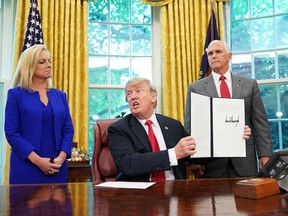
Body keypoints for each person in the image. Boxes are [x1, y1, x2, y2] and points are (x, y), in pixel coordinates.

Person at [108, 77, 251, 181]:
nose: (132, 96)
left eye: (138, 91)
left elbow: (197, 153)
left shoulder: (173, 125)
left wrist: (232, 137)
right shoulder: (119, 129)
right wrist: (173, 154)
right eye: (129, 94)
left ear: (153, 97)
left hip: (177, 192)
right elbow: (128, 163)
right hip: (138, 196)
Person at [184, 40, 273, 178]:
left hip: (245, 160)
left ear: (229, 56)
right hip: (211, 163)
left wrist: (265, 154)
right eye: (210, 53)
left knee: (246, 199)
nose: (213, 56)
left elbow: (260, 123)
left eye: (218, 52)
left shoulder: (249, 85)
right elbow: (191, 126)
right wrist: (194, 159)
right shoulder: (196, 88)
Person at [4, 44, 74, 184]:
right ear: (29, 66)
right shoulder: (15, 95)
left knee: (59, 206)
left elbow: (68, 130)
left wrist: (62, 156)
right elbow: (12, 132)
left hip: (57, 167)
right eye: (42, 62)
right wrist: (38, 161)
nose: (48, 65)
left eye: (49, 61)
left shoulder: (60, 96)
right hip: (26, 166)